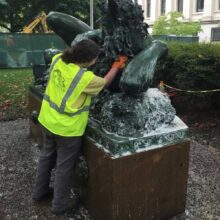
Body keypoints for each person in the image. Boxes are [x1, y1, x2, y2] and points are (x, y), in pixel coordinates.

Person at [32, 39, 127, 215]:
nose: (96, 61)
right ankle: (60, 205)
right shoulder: (84, 78)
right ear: (89, 60)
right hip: (67, 130)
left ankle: (39, 192)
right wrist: (116, 66)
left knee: (46, 157)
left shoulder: (58, 59)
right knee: (64, 167)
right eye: (95, 58)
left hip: (47, 120)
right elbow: (105, 83)